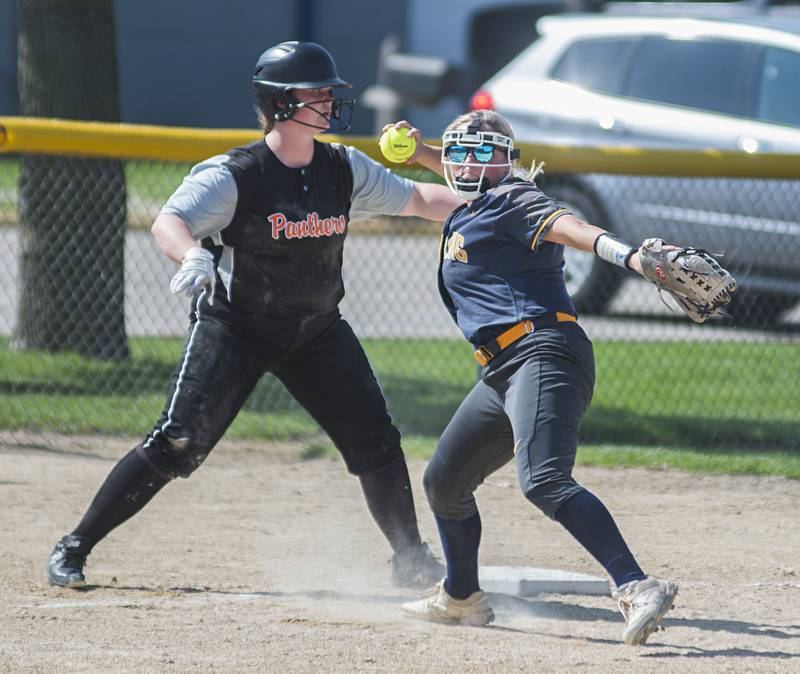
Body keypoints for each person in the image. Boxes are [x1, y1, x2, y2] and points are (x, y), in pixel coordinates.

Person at [46, 41, 462, 591]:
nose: (329, 100)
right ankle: (74, 545)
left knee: (377, 443)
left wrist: (498, 208)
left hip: (316, 330)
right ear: (281, 103)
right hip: (236, 328)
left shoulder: (343, 167)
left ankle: (410, 558)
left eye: (328, 91)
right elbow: (170, 222)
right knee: (176, 443)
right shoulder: (234, 174)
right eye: (316, 91)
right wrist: (192, 255)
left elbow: (420, 201)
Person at [394, 110, 678, 645]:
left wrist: (631, 256)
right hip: (503, 368)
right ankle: (461, 597)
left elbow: (570, 228)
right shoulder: (476, 202)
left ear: (509, 158)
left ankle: (638, 585)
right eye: (460, 151)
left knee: (543, 479)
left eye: (484, 152)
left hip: (541, 352)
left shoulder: (515, 198)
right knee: (443, 482)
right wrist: (426, 154)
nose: (469, 162)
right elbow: (463, 170)